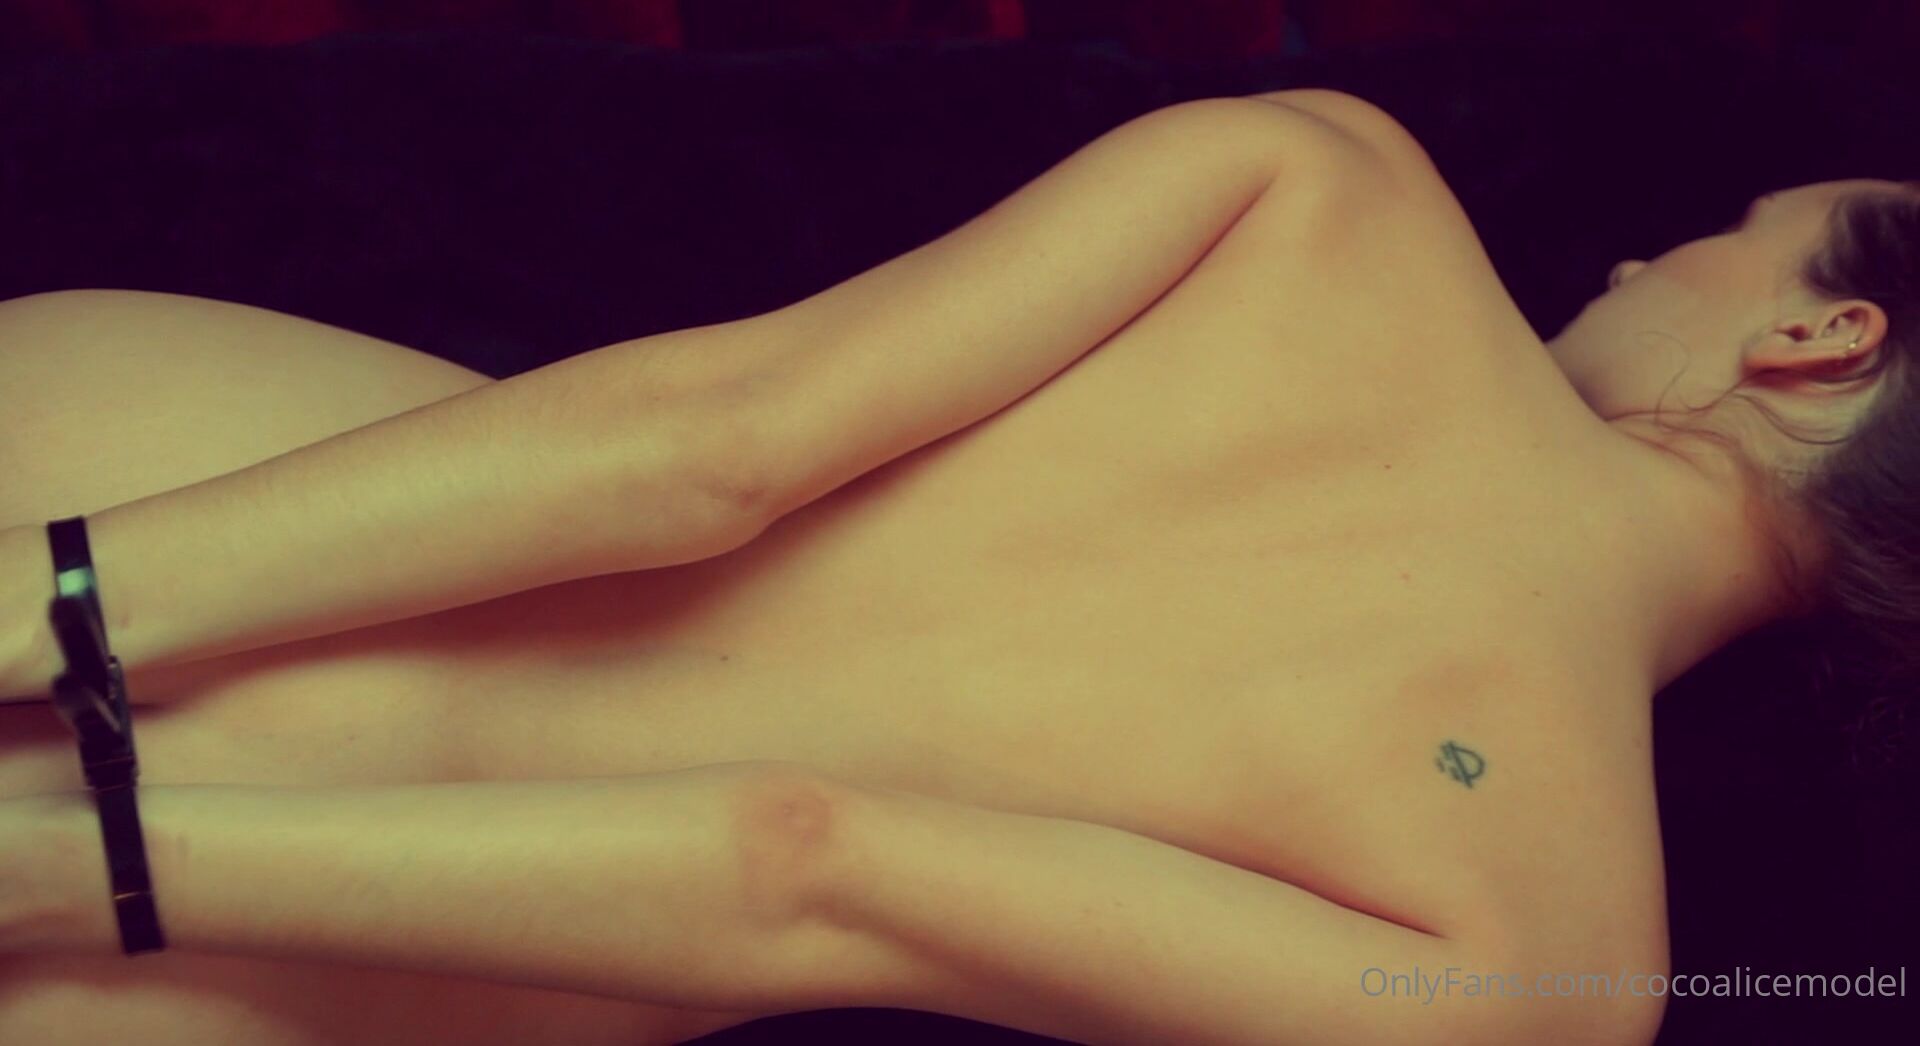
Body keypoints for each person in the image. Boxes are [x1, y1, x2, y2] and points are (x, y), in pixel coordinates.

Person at [0, 89, 1910, 1044]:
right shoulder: (1556, 971)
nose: (1639, 261)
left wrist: (55, 597)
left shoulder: (1333, 187)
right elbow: (803, 859)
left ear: (1827, 339)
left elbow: (709, 445)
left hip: (174, 474)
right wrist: (87, 865)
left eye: (1731, 233)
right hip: (253, 944)